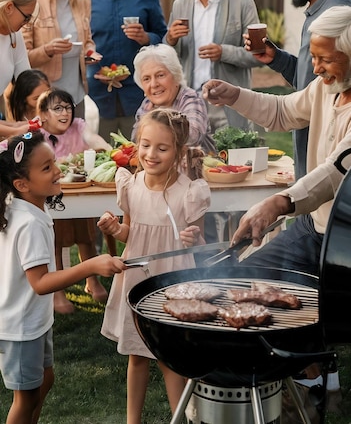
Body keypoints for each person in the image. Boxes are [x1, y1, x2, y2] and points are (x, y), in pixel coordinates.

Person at [203, 5, 351, 276]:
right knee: (243, 281)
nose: (316, 69)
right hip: (313, 227)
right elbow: (284, 111)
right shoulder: (326, 87)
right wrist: (234, 95)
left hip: (345, 239)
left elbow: (335, 174)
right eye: (314, 58)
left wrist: (278, 203)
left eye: (325, 59)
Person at [0, 130, 126, 424]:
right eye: (47, 168)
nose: (58, 171)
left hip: (33, 321)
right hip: (19, 328)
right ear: (22, 183)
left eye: (54, 162)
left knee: (45, 379)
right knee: (26, 396)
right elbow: (40, 283)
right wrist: (91, 266)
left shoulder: (27, 209)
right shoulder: (28, 223)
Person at [98, 108, 211, 424]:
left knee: (171, 358)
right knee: (136, 355)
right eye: (145, 145)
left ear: (178, 152)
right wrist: (114, 229)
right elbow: (129, 234)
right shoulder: (131, 185)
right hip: (137, 278)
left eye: (162, 148)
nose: (151, 153)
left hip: (173, 282)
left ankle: (180, 418)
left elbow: (199, 246)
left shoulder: (189, 192)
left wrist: (194, 239)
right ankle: (132, 420)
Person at [246, 0, 351, 180]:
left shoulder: (338, 16)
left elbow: (338, 85)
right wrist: (276, 58)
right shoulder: (317, 10)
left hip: (328, 151)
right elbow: (313, 82)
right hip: (307, 141)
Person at [163, 0, 262, 134]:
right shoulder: (180, 5)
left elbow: (257, 55)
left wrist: (223, 52)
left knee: (232, 161)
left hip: (228, 106)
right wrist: (170, 40)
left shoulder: (243, 4)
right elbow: (169, 57)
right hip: (190, 105)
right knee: (192, 162)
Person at [84, 0, 168, 143]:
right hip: (96, 97)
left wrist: (145, 38)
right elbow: (79, 42)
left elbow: (163, 36)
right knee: (100, 163)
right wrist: (87, 54)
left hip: (138, 95)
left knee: (140, 158)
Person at [37, 88, 112, 313]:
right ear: (43, 114)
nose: (65, 113)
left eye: (68, 107)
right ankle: (58, 291)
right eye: (57, 108)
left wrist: (105, 148)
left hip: (80, 192)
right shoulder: (37, 133)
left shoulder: (78, 125)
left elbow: (92, 137)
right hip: (53, 197)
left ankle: (92, 281)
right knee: (56, 242)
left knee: (86, 236)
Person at [22, 0, 101, 119]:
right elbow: (22, 58)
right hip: (44, 99)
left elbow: (87, 39)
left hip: (76, 95)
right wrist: (48, 50)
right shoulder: (31, 2)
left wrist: (90, 52)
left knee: (76, 146)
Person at [132, 44, 216, 154]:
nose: (153, 84)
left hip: (197, 167)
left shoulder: (190, 98)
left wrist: (157, 124)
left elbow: (192, 137)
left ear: (176, 76)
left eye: (160, 75)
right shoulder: (147, 104)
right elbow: (135, 141)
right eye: (146, 78)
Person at [0, 0, 38, 138]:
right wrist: (16, 129)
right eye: (26, 17)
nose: (27, 23)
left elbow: (26, 80)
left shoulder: (14, 35)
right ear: (9, 7)